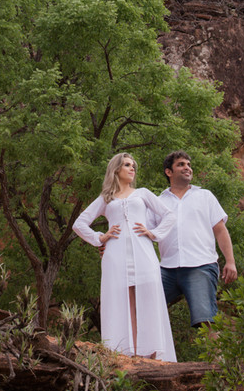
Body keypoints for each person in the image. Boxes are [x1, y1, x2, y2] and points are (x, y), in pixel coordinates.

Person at [73, 153, 178, 361]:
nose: (132, 169)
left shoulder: (143, 193)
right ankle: (128, 355)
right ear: (116, 170)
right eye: (127, 165)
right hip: (115, 257)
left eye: (133, 166)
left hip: (144, 254)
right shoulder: (106, 198)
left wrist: (153, 234)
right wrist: (100, 237)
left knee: (149, 300)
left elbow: (170, 215)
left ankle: (154, 354)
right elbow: (79, 224)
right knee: (123, 302)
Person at [151, 150, 237, 329]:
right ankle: (139, 354)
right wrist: (109, 245)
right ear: (169, 172)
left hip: (201, 265)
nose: (187, 168)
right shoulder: (158, 201)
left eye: (189, 165)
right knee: (145, 307)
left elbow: (220, 231)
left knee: (205, 319)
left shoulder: (205, 196)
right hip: (166, 268)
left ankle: (216, 357)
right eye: (181, 164)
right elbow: (142, 233)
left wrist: (230, 261)